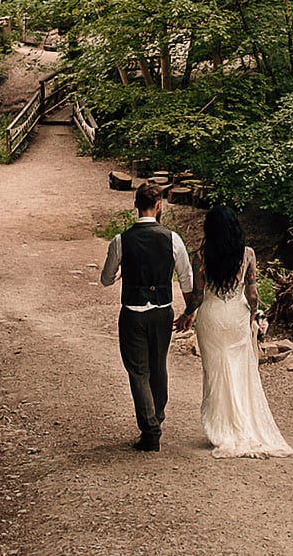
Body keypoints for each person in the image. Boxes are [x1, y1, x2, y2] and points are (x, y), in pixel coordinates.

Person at [177, 205, 293, 459]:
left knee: (214, 372)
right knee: (239, 371)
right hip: (237, 316)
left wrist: (187, 314)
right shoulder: (247, 254)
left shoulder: (201, 255)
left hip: (212, 317)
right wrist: (255, 315)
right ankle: (242, 423)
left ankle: (221, 426)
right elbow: (253, 293)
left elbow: (199, 295)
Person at [99, 182, 193, 451]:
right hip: (163, 311)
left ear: (135, 205)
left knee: (138, 371)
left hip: (132, 312)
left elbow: (105, 279)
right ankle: (156, 418)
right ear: (159, 205)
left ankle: (150, 429)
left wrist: (118, 274)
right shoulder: (172, 238)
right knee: (158, 366)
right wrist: (189, 310)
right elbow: (186, 279)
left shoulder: (121, 240)